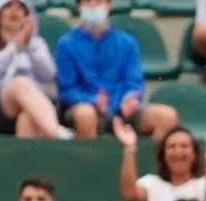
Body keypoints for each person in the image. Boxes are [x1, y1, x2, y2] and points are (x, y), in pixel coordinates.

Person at [55, 0, 178, 139]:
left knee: (166, 116)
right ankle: (89, 160)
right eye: (87, 1)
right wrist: (93, 100)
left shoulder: (127, 43)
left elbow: (134, 82)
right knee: (85, 114)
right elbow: (66, 90)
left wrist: (130, 99)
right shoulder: (66, 44)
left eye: (99, 0)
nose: (93, 4)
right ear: (79, 6)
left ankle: (151, 160)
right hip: (85, 108)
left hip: (123, 109)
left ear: (109, 4)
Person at [0, 0, 68, 139]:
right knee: (19, 83)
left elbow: (48, 75)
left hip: (34, 105)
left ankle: (27, 160)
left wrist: (29, 46)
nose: (14, 11)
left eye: (20, 7)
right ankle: (58, 134)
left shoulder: (36, 43)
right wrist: (14, 47)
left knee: (27, 116)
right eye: (8, 6)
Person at [114, 119, 206, 201]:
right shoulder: (151, 183)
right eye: (171, 146)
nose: (178, 151)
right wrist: (129, 148)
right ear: (163, 155)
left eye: (184, 146)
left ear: (194, 154)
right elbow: (130, 194)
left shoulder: (202, 184)